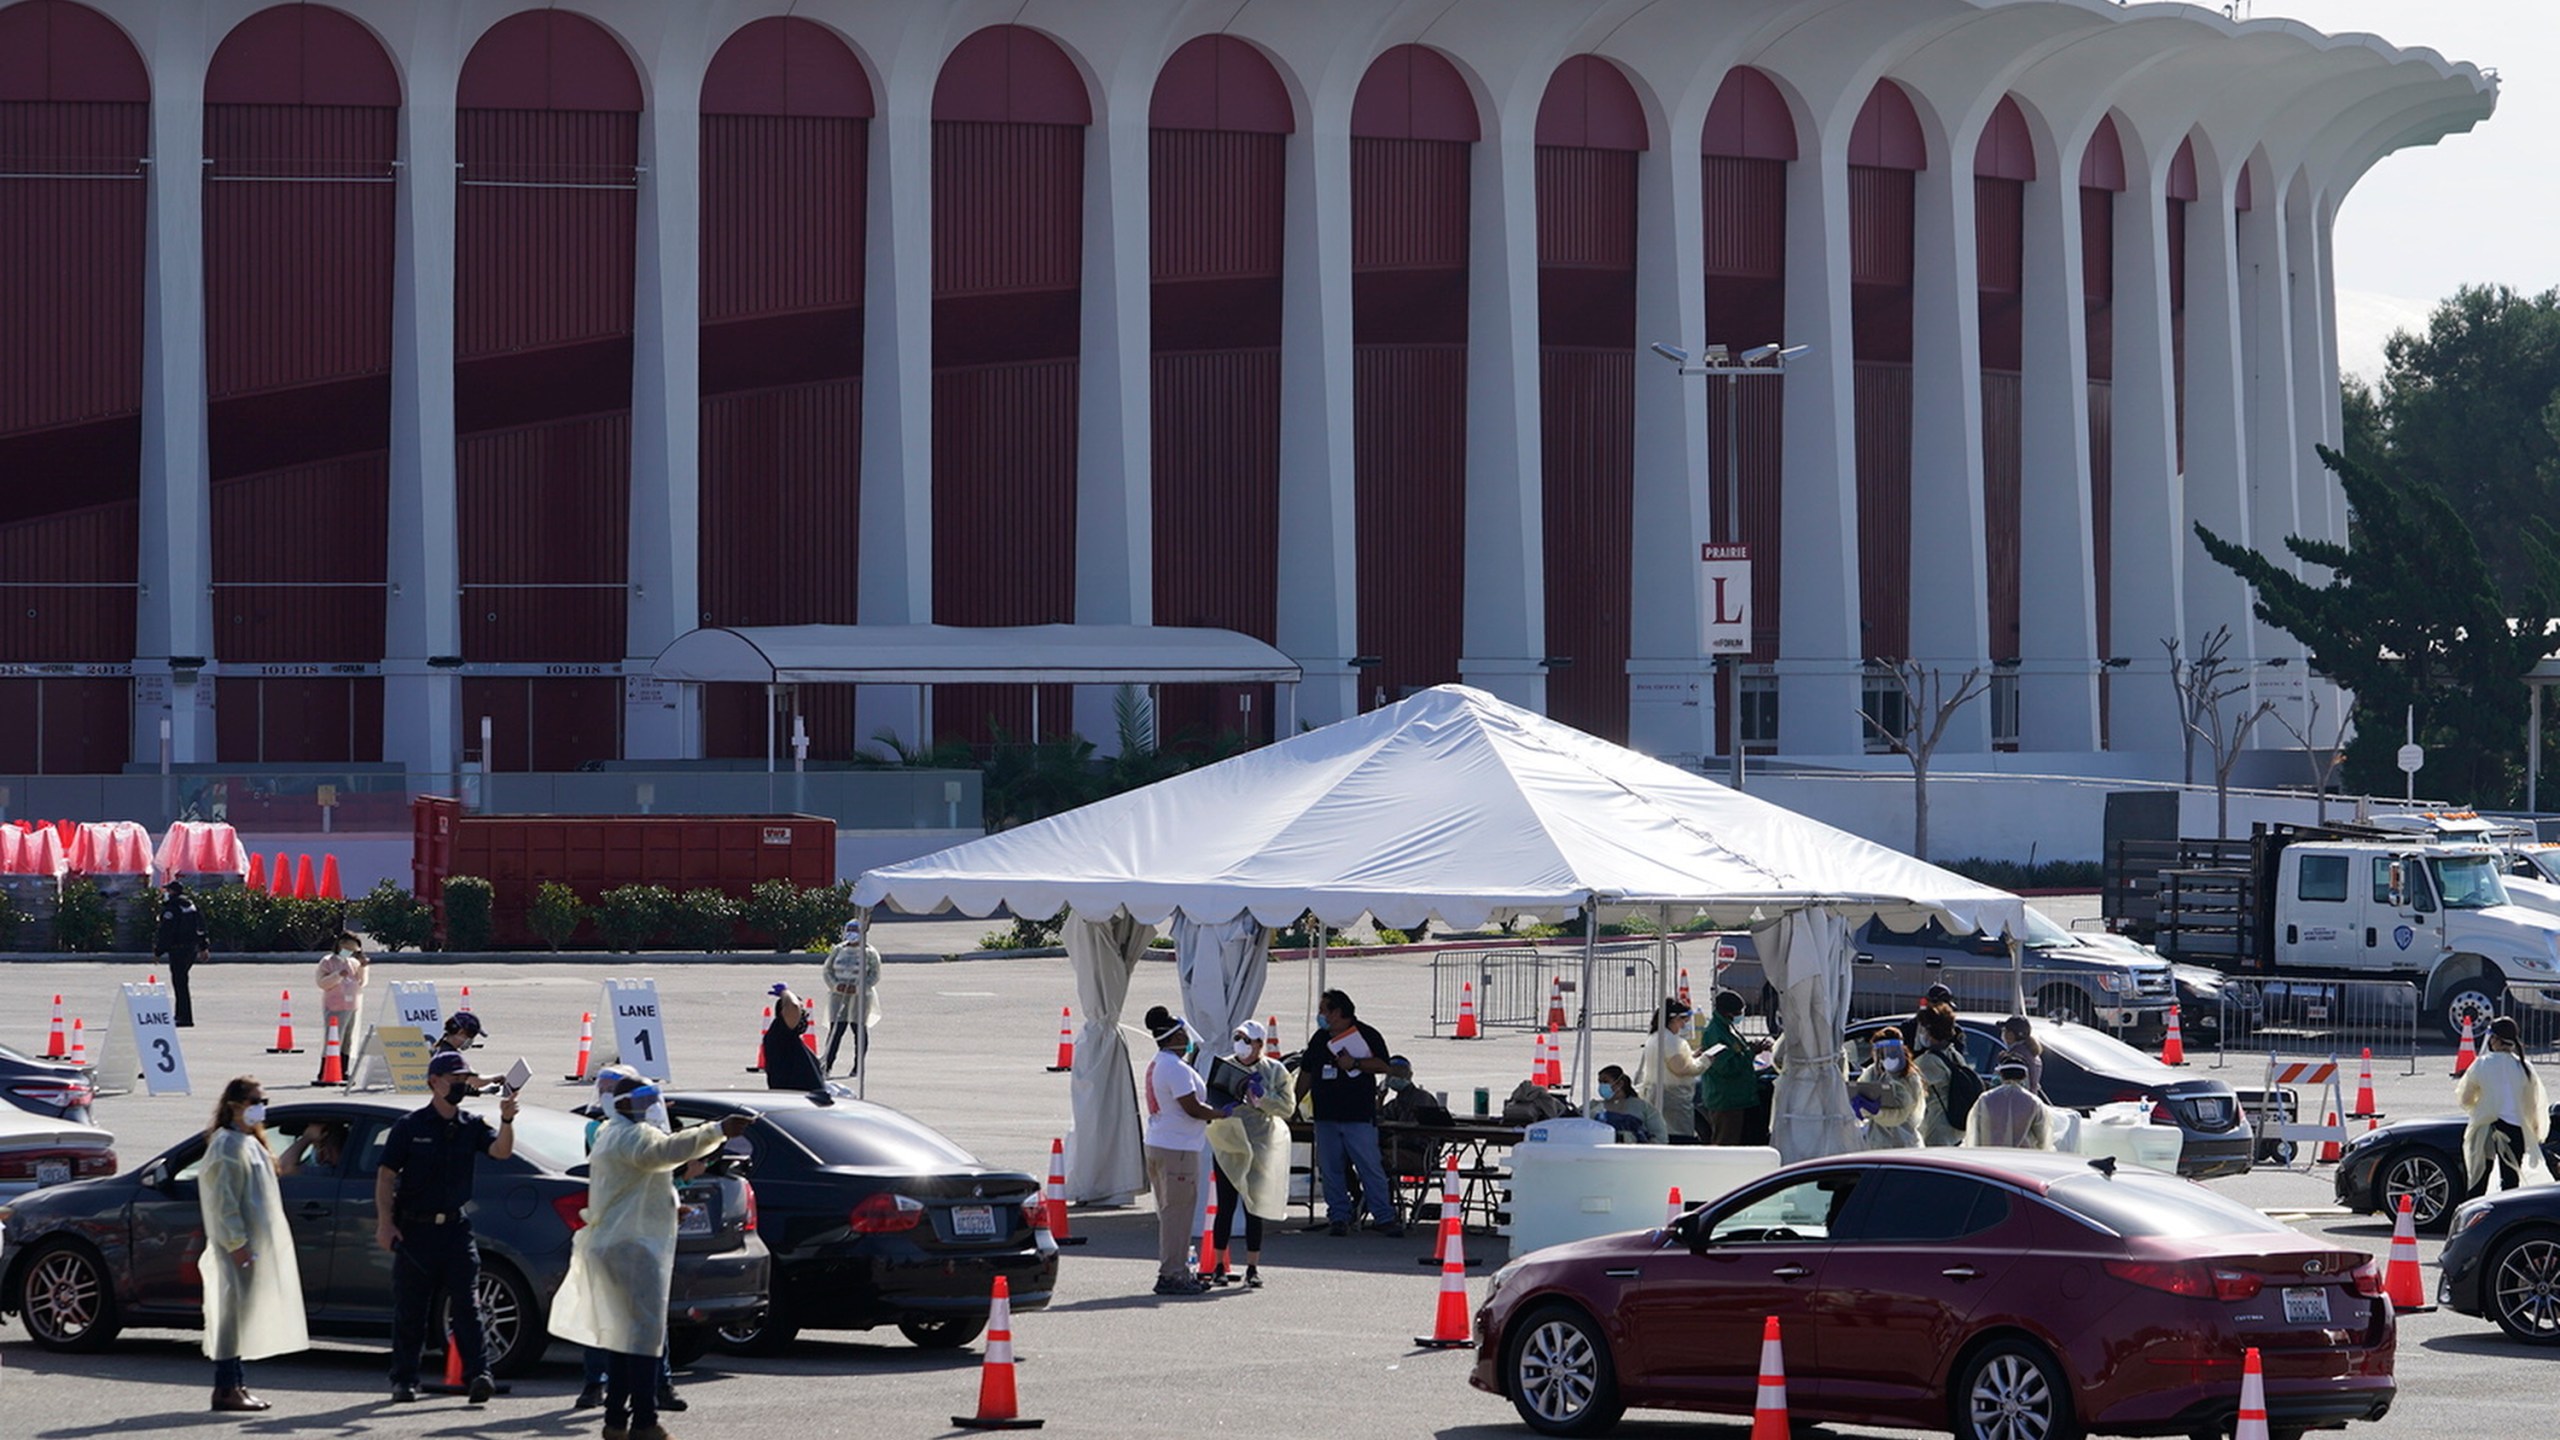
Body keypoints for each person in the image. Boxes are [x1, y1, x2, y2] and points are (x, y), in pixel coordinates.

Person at [550, 1072, 753, 1440]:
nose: (651, 1104)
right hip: (634, 1249)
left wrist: (666, 1205)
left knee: (621, 1337)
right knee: (643, 1338)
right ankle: (643, 1421)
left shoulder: (610, 1133)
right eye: (643, 1097)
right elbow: (665, 1152)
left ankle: (616, 1420)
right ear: (626, 1104)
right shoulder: (635, 1135)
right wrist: (719, 1130)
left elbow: (635, 1184)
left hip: (613, 1244)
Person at [376, 1049, 517, 1405]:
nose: (459, 1085)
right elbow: (385, 1176)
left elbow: (501, 1152)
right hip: (415, 1230)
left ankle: (479, 1376)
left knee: (468, 1307)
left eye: (463, 1079)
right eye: (454, 1079)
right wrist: (385, 1223)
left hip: (455, 1229)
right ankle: (404, 1379)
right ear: (434, 1083)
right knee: (412, 1309)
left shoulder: (470, 1126)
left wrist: (506, 1120)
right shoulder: (410, 1127)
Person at [571, 1067, 691, 1415]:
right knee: (629, 1329)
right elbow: (647, 1164)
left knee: (638, 1327)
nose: (605, 1095)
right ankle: (624, 1402)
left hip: (638, 1237)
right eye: (603, 1088)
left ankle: (641, 1398)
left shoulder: (635, 1132)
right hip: (626, 1241)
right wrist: (715, 1131)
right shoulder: (614, 1133)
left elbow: (650, 1180)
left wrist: (672, 1203)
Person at [199, 1075, 306, 1413]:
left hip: (253, 1246)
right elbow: (223, 1202)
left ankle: (236, 1383)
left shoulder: (250, 1143)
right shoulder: (226, 1146)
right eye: (256, 1102)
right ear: (235, 1106)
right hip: (239, 1249)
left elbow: (275, 1175)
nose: (262, 1109)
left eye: (264, 1102)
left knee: (243, 1316)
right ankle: (227, 1385)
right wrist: (238, 1245)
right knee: (231, 1315)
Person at [1296, 990, 1405, 1238]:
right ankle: (1339, 1216)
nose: (1320, 1015)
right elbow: (1306, 1072)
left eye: (1324, 1010)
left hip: (1358, 1116)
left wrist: (1355, 1063)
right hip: (1326, 1117)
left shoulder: (1367, 1034)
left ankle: (1384, 1216)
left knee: (1369, 1166)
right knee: (1330, 1168)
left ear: (1337, 1012)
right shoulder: (1319, 1039)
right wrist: (1294, 1103)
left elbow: (1383, 1066)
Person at [1142, 1007, 1234, 1295]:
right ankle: (1173, 1274)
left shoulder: (1160, 1063)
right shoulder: (1176, 1068)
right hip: (1177, 1150)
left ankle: (1175, 1270)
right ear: (1173, 1038)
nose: (1187, 1039)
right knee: (1178, 1216)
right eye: (1183, 1035)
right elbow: (1192, 1108)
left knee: (1171, 1213)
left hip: (1161, 1144)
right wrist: (1221, 1113)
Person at [1205, 1020, 1293, 1287]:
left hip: (1259, 1144)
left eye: (1246, 1039)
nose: (1241, 1043)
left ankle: (1253, 1267)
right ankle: (1219, 1264)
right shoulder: (1225, 1066)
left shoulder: (1274, 1071)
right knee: (1226, 1205)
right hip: (1228, 1143)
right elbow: (1211, 1094)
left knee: (1255, 1207)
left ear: (1259, 1044)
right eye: (1238, 1037)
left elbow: (1287, 1108)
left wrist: (1262, 1099)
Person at [2457, 1016, 2551, 1192]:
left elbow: (2465, 1098)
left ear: (2496, 1040)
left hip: (2486, 1129)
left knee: (2479, 1180)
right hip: (2516, 1130)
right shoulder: (2524, 1067)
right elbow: (2533, 1104)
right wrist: (2535, 1131)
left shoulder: (2482, 1064)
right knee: (2510, 1183)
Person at [1697, 990, 1768, 1145]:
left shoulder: (1727, 1027)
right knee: (1726, 1143)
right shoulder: (1715, 1034)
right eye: (1738, 1012)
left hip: (1739, 1098)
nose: (1740, 1015)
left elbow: (1735, 1050)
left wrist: (1750, 1047)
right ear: (1728, 1013)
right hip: (1726, 1100)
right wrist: (1751, 1053)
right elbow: (1726, 1067)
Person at [1637, 998, 1709, 1142]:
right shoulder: (1671, 1040)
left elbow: (1670, 1062)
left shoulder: (1655, 1036)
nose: (1684, 1025)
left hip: (1657, 1093)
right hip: (1673, 1099)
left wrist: (1691, 1056)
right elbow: (1682, 1068)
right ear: (1674, 1019)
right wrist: (1706, 1060)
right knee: (1678, 1137)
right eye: (1683, 1021)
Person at [818, 925, 882, 1075]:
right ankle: (827, 1066)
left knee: (858, 1029)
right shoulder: (838, 950)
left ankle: (858, 1066)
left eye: (856, 931)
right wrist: (835, 985)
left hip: (861, 997)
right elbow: (827, 970)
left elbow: (875, 975)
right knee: (836, 1030)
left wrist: (859, 988)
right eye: (850, 930)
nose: (852, 934)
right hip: (838, 996)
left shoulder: (870, 953)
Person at [1854, 1029, 1926, 1148]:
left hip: (1903, 1143)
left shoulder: (1909, 1077)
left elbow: (1900, 1114)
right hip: (1877, 1143)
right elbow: (1861, 1089)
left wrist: (1876, 1111)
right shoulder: (1872, 1072)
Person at [1912, 1007, 1970, 1147]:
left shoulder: (1928, 1061)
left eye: (1922, 1029)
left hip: (1937, 1131)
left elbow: (1908, 1087)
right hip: (1956, 1131)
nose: (1920, 1033)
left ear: (1929, 1032)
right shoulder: (1954, 1054)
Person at [314, 933, 368, 1083]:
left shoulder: (352, 962)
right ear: (341, 945)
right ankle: (325, 1070)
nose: (351, 952)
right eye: (349, 948)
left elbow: (361, 982)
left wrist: (363, 967)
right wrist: (337, 976)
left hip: (352, 1005)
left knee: (348, 1040)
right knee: (333, 1038)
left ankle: (344, 1070)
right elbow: (322, 983)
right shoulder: (328, 961)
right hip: (335, 1005)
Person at [155, 879, 208, 1028]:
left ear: (172, 892)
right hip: (191, 949)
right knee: (182, 981)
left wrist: (159, 951)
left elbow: (166, 932)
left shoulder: (172, 908)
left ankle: (184, 1017)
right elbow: (201, 927)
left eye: (167, 891)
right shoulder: (191, 906)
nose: (166, 894)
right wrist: (203, 947)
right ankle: (182, 1015)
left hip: (178, 949)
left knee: (180, 983)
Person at [1966, 1059, 2053, 1149]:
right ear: (2024, 1076)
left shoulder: (1986, 1098)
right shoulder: (2033, 1101)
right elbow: (2043, 1135)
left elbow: (1975, 1131)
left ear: (2001, 1074)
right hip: (2022, 1157)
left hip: (1991, 1155)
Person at [760, 984, 827, 1092]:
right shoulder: (779, 1034)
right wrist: (784, 992)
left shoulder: (791, 1038)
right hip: (794, 1100)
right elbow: (793, 1007)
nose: (803, 1016)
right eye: (801, 1012)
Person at [1585, 1064, 1668, 1143]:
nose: (1602, 1085)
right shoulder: (1593, 1106)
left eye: (1606, 1082)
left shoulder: (1644, 1108)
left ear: (1620, 1083)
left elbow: (1660, 1138)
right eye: (1600, 1082)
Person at [1993, 1015, 2045, 1100]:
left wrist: (2004, 1062)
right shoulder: (2031, 1053)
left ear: (2011, 1035)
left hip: (2016, 1103)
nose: (2003, 1034)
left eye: (2005, 1030)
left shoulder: (2016, 1055)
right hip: (2029, 1103)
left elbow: (2007, 1084)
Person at [273, 1120, 348, 1177]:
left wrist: (307, 1137)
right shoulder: (347, 1172)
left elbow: (283, 1167)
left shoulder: (329, 1173)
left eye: (316, 1147)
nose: (316, 1152)